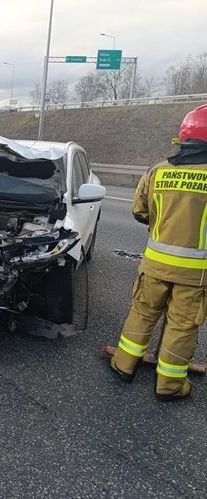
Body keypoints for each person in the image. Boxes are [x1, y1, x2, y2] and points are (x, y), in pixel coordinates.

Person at [109, 104, 207, 401]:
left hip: (153, 265)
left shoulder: (158, 170)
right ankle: (169, 386)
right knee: (181, 325)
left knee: (142, 313)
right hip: (195, 274)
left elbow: (140, 212)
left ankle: (123, 365)